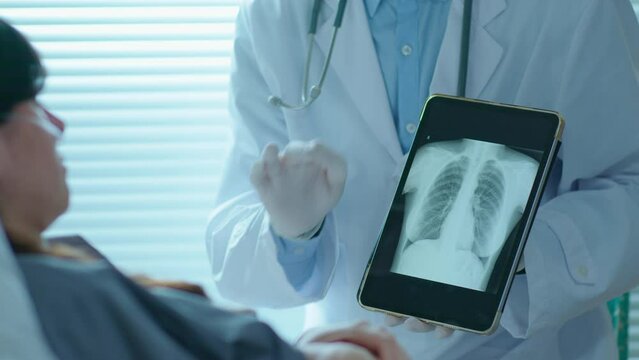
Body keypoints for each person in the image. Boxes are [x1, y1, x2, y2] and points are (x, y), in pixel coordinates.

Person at [206, 0, 639, 358]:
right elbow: (232, 242)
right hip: (354, 348)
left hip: (526, 348)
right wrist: (289, 232)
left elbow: (631, 182)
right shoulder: (276, 17)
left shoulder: (572, 8)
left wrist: (517, 254)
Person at [0, 18, 409, 360]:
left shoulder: (52, 276)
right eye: (33, 104)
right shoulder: (52, 296)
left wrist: (296, 350)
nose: (57, 125)